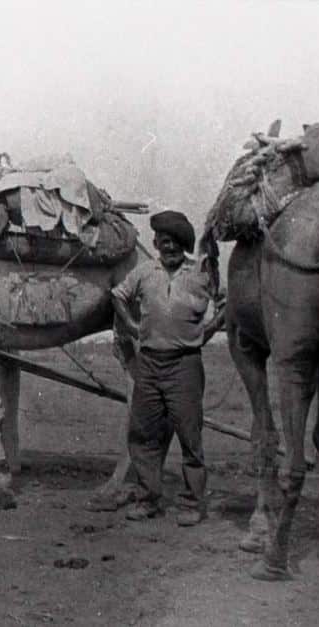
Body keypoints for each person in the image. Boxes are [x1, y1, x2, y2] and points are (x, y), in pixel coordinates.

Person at [110, 210, 224, 527]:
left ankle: (192, 502)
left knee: (190, 435)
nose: (169, 247)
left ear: (184, 245)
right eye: (163, 241)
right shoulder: (144, 272)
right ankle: (148, 499)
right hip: (148, 363)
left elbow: (226, 303)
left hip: (185, 364)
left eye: (175, 242)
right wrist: (132, 326)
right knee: (144, 433)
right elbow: (118, 296)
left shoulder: (202, 272)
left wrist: (209, 330)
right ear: (156, 243)